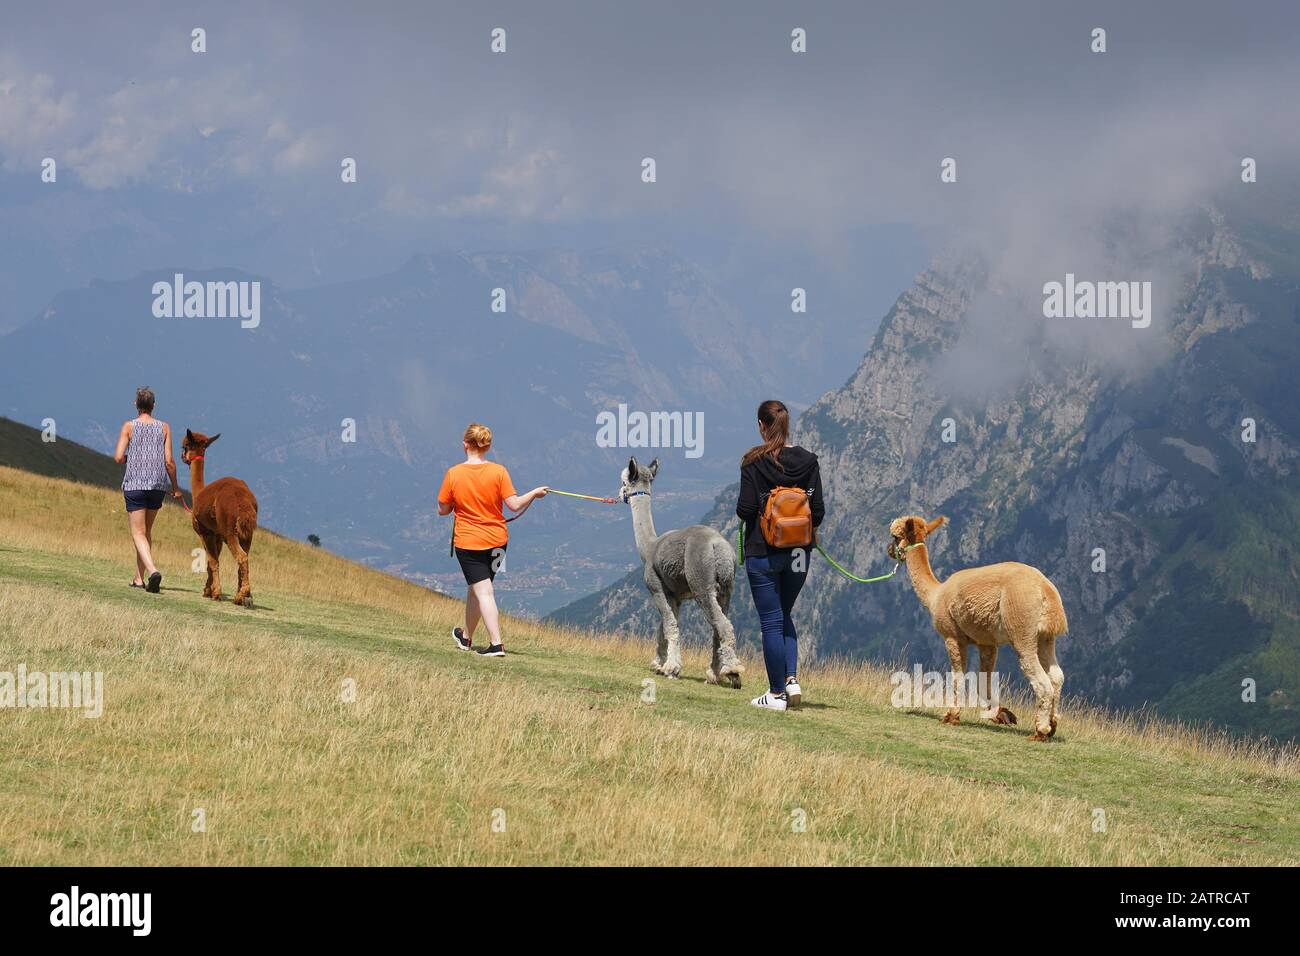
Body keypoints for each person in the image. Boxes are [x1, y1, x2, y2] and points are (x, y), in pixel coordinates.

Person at [735, 400, 824, 711]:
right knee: (784, 614)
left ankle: (774, 695)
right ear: (786, 426)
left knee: (771, 621)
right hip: (799, 554)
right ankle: (791, 680)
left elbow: (745, 510)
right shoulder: (809, 461)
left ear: (762, 425)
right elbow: (819, 512)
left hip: (764, 552)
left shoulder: (752, 462)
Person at [437, 423, 547, 657]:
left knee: (483, 591)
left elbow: (443, 509)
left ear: (465, 444)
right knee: (477, 588)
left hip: (469, 543)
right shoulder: (499, 471)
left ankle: (496, 644)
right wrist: (535, 494)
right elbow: (514, 504)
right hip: (499, 542)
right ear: (486, 446)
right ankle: (466, 638)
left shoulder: (454, 474)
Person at [113, 387, 184, 593]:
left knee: (137, 532)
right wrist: (176, 488)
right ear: (153, 406)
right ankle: (138, 578)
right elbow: (169, 461)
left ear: (136, 404)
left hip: (135, 484)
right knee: (146, 532)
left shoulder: (129, 426)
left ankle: (152, 571)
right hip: (157, 486)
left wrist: (132, 458)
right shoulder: (164, 427)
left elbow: (118, 457)